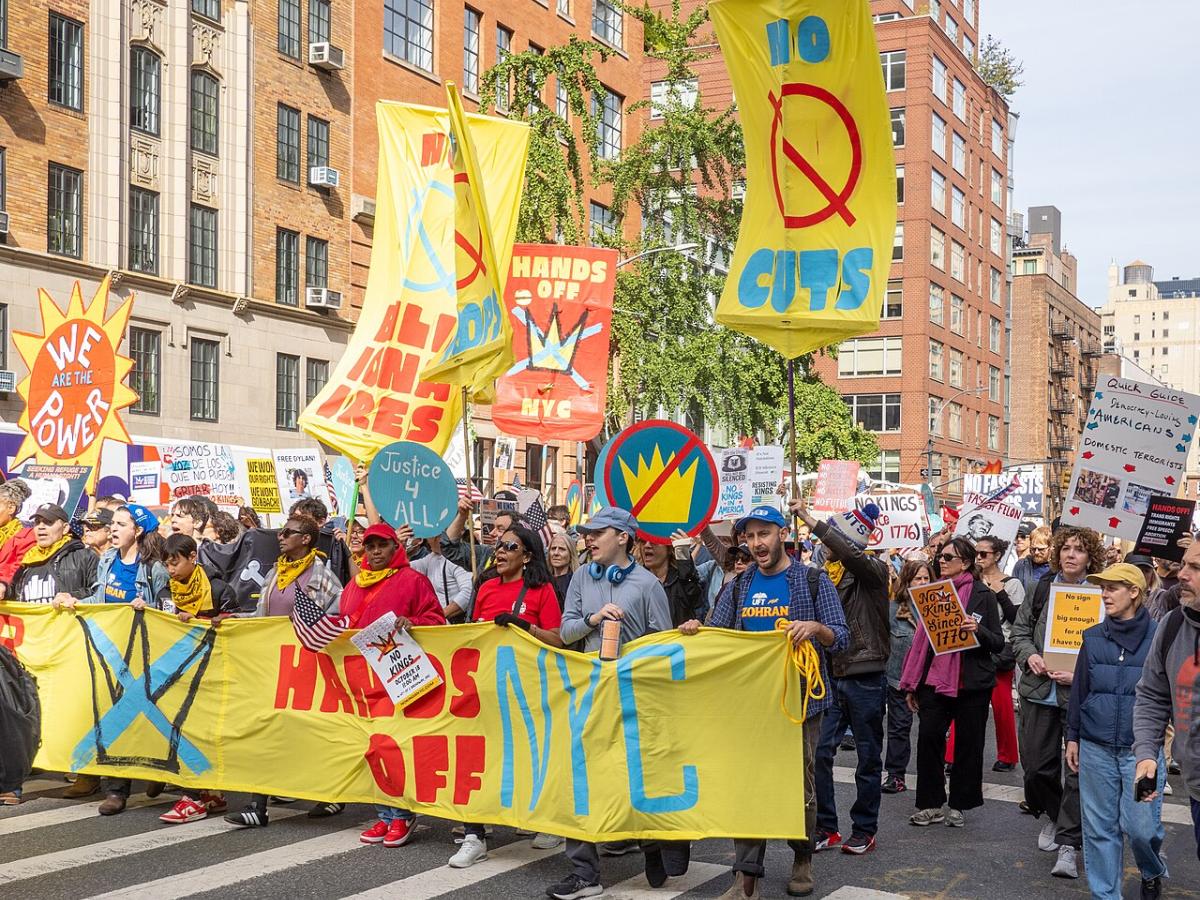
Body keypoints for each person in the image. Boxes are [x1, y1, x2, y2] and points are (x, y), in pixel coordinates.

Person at [680, 504, 848, 899]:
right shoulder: (738, 585)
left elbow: (840, 636)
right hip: (751, 706)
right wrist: (694, 629)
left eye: (764, 534)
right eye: (749, 536)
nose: (756, 543)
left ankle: (802, 857)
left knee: (799, 787)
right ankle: (745, 877)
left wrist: (815, 628)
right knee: (747, 786)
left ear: (782, 533)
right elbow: (716, 633)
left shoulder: (811, 580)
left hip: (802, 703)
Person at [548, 507, 675, 900]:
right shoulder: (582, 577)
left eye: (597, 532)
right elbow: (566, 630)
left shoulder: (648, 584)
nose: (588, 539)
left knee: (631, 779)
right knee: (578, 781)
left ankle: (652, 843)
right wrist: (592, 619)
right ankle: (585, 873)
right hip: (586, 692)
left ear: (623, 537)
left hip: (632, 695)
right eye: (586, 533)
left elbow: (664, 644)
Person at [451, 525, 564, 868]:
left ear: (527, 556)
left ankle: (546, 820)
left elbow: (558, 640)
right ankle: (474, 835)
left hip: (525, 690)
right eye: (498, 546)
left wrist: (524, 626)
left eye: (509, 546)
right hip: (484, 686)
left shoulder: (542, 591)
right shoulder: (484, 587)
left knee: (528, 756)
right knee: (476, 758)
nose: (499, 552)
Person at [325, 522, 445, 845]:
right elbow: (346, 623)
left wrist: (414, 622)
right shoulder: (353, 586)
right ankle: (384, 813)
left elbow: (439, 622)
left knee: (395, 745)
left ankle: (402, 813)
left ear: (396, 548)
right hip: (361, 682)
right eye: (370, 546)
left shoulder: (414, 580)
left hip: (399, 678)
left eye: (382, 545)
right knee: (371, 747)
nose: (375, 552)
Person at [791, 499, 888, 857]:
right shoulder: (819, 576)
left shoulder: (872, 571)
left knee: (867, 757)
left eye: (832, 540)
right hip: (831, 675)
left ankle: (865, 829)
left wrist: (811, 520)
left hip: (865, 675)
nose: (824, 546)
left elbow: (850, 553)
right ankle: (827, 827)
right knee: (819, 753)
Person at [1064, 562, 1166, 900]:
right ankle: (1106, 895)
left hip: (1141, 753)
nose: (1104, 594)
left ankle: (1151, 869)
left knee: (1140, 828)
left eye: (1113, 587)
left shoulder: (1159, 636)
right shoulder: (1092, 637)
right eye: (1102, 587)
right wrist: (1073, 736)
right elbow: (1081, 690)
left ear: (1134, 592)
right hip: (1095, 747)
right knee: (1099, 831)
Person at [61, 504, 170, 813]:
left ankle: (152, 769)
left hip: (145, 654)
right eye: (113, 524)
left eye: (121, 524)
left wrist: (147, 606)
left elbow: (168, 610)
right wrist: (75, 601)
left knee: (144, 718)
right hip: (111, 652)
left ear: (137, 531)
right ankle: (116, 790)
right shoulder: (107, 560)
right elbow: (100, 599)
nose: (113, 529)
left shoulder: (154, 568)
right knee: (114, 719)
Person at [1012, 525, 1105, 879]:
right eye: (1065, 548)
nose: (1070, 555)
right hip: (1039, 691)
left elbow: (1107, 648)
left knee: (1076, 771)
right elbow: (1020, 633)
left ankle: (1068, 843)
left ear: (1089, 557)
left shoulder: (1100, 594)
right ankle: (1053, 813)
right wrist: (1030, 656)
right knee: (1036, 768)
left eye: (1079, 549)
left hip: (1078, 697)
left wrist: (1082, 673)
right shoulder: (1040, 590)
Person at [900, 537, 1004, 828]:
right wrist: (913, 684)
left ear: (966, 563)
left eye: (948, 557)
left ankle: (959, 803)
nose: (941, 561)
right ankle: (931, 804)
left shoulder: (984, 595)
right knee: (929, 739)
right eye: (940, 557)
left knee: (968, 747)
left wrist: (978, 629)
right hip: (935, 682)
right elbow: (922, 644)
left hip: (972, 684)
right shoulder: (932, 593)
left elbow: (998, 643)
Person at [152, 532, 235, 823]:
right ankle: (206, 793)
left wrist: (202, 622)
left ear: (192, 557)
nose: (171, 569)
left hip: (212, 674)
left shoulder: (219, 588)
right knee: (180, 730)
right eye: (167, 564)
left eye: (176, 562)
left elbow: (238, 626)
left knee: (200, 733)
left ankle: (196, 797)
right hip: (176, 673)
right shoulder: (165, 593)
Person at [1133, 537, 1200, 869]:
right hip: (1196, 786)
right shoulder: (1172, 626)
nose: (1182, 574)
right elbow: (1152, 695)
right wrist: (1147, 752)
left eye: (1195, 567)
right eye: (1184, 563)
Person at [947, 535, 1022, 773]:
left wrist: (999, 593)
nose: (979, 558)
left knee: (1001, 706)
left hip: (1001, 649)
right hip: (971, 648)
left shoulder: (1012, 584)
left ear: (997, 556)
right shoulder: (969, 583)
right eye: (976, 554)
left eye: (984, 554)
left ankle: (1008, 755)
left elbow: (1017, 619)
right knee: (962, 703)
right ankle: (951, 755)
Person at [882, 558, 931, 794]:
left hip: (930, 680)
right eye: (917, 578)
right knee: (898, 727)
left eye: (926, 578)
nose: (922, 582)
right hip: (899, 678)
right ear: (907, 582)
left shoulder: (938, 606)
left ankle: (933, 772)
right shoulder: (893, 609)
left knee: (932, 730)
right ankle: (895, 775)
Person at [10, 504, 98, 605]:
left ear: (65, 528)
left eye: (48, 522)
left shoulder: (84, 556)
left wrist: (73, 597)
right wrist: (4, 588)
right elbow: (14, 596)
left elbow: (101, 594)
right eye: (37, 522)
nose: (41, 527)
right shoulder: (28, 561)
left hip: (68, 620)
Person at [639, 534, 704, 627]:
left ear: (669, 549)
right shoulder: (636, 581)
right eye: (643, 541)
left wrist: (683, 554)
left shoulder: (682, 582)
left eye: (655, 540)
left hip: (677, 640)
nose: (647, 545)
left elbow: (694, 596)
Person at [410, 534, 473, 622]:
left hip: (453, 625)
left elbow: (469, 592)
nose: (426, 539)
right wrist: (404, 549)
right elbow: (404, 569)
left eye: (428, 535)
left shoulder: (456, 560)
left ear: (437, 537)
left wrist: (439, 616)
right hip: (438, 622)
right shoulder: (432, 557)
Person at [0, 480, 34, 596]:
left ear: (11, 508)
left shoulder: (26, 536)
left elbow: (18, 568)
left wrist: (3, 584)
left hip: (8, 596)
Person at [1013, 525, 1052, 597]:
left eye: (1041, 549)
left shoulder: (1058, 568)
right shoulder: (1021, 566)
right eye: (1033, 549)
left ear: (1050, 548)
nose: (1036, 552)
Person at [546, 528, 579, 606]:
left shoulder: (576, 582)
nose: (556, 553)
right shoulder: (543, 580)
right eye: (553, 548)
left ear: (571, 554)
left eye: (562, 549)